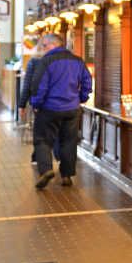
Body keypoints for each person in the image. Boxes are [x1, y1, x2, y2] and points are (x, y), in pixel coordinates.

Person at [28, 33, 92, 190]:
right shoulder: (78, 61)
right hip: (72, 109)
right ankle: (66, 176)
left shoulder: (46, 61)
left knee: (42, 140)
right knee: (69, 141)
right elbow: (87, 82)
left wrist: (36, 103)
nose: (43, 49)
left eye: (44, 45)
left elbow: (39, 85)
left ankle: (46, 170)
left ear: (52, 45)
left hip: (49, 109)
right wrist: (81, 98)